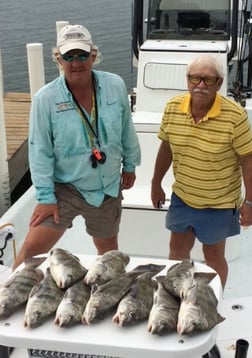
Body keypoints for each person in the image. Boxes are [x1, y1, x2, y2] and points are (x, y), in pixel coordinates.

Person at [13, 24, 141, 270]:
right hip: (65, 188)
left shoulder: (115, 84)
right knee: (31, 250)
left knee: (108, 253)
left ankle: (107, 295)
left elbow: (127, 130)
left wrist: (131, 165)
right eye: (68, 56)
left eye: (82, 55)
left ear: (93, 55)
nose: (76, 62)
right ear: (58, 59)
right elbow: (39, 152)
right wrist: (45, 198)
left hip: (107, 187)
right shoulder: (45, 99)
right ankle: (5, 294)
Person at [151, 54, 252, 289]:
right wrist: (156, 183)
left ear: (219, 83)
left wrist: (249, 202)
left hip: (218, 203)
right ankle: (175, 295)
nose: (200, 85)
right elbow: (166, 147)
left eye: (208, 80)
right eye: (195, 78)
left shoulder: (235, 116)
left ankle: (213, 300)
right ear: (187, 80)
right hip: (183, 197)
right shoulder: (173, 107)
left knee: (213, 257)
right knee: (177, 251)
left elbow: (248, 160)